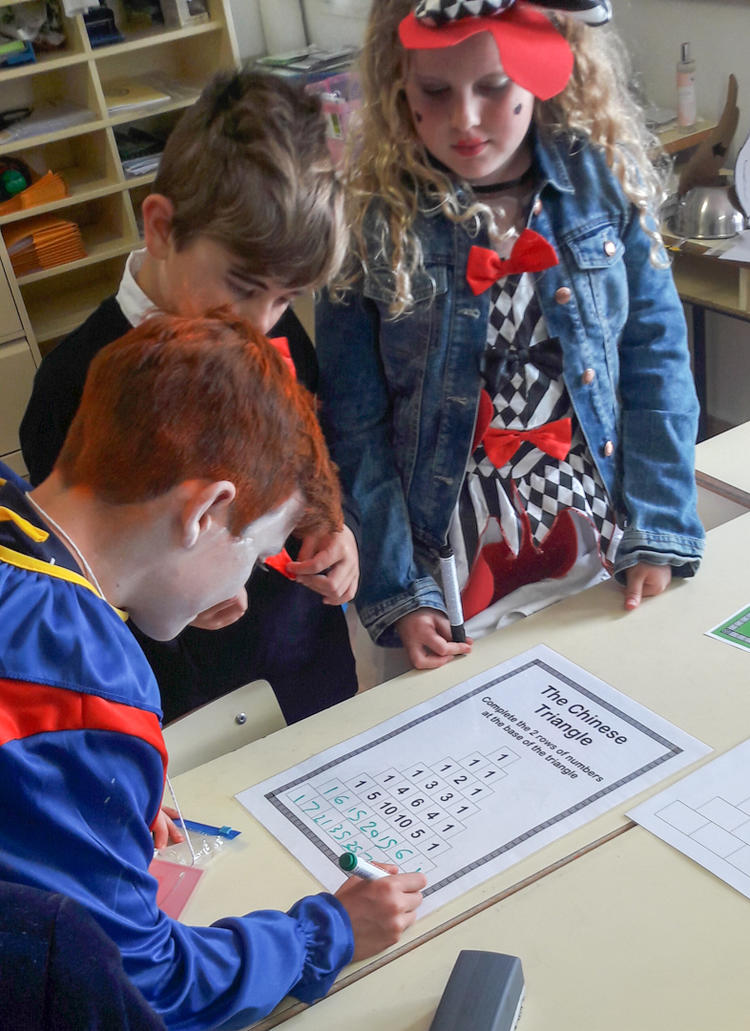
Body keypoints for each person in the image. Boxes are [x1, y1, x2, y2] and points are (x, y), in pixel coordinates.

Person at [0, 312, 426, 1030]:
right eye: (256, 553)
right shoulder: (79, 682)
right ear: (204, 513)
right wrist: (326, 933)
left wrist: (78, 793)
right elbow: (144, 990)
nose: (245, 586)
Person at [315, 0, 704, 675]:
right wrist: (399, 590)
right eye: (435, 92)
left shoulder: (600, 181)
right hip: (445, 568)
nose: (465, 119)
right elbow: (354, 425)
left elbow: (657, 358)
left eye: (493, 87)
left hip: (598, 539)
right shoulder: (367, 221)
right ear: (398, 86)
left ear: (540, 74)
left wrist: (660, 525)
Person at [19, 68, 359, 725]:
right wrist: (164, 602)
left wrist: (336, 531)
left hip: (308, 665)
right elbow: (76, 581)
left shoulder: (274, 335)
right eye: (241, 283)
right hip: (185, 700)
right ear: (161, 228)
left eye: (285, 297)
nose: (260, 322)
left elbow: (319, 462)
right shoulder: (69, 388)